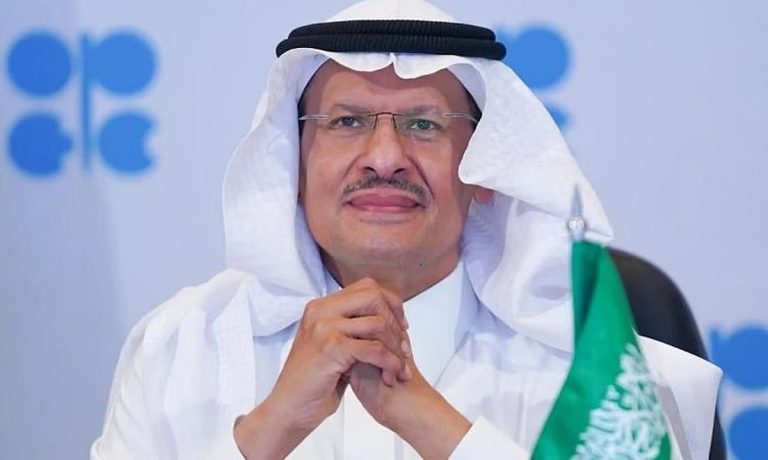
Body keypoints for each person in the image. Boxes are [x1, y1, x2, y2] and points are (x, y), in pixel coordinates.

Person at [91, 0, 721, 458]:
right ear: (293, 165)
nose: (385, 158)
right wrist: (269, 431)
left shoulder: (595, 368)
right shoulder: (180, 350)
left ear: (483, 169)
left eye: (424, 124)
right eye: (347, 123)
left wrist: (430, 423)